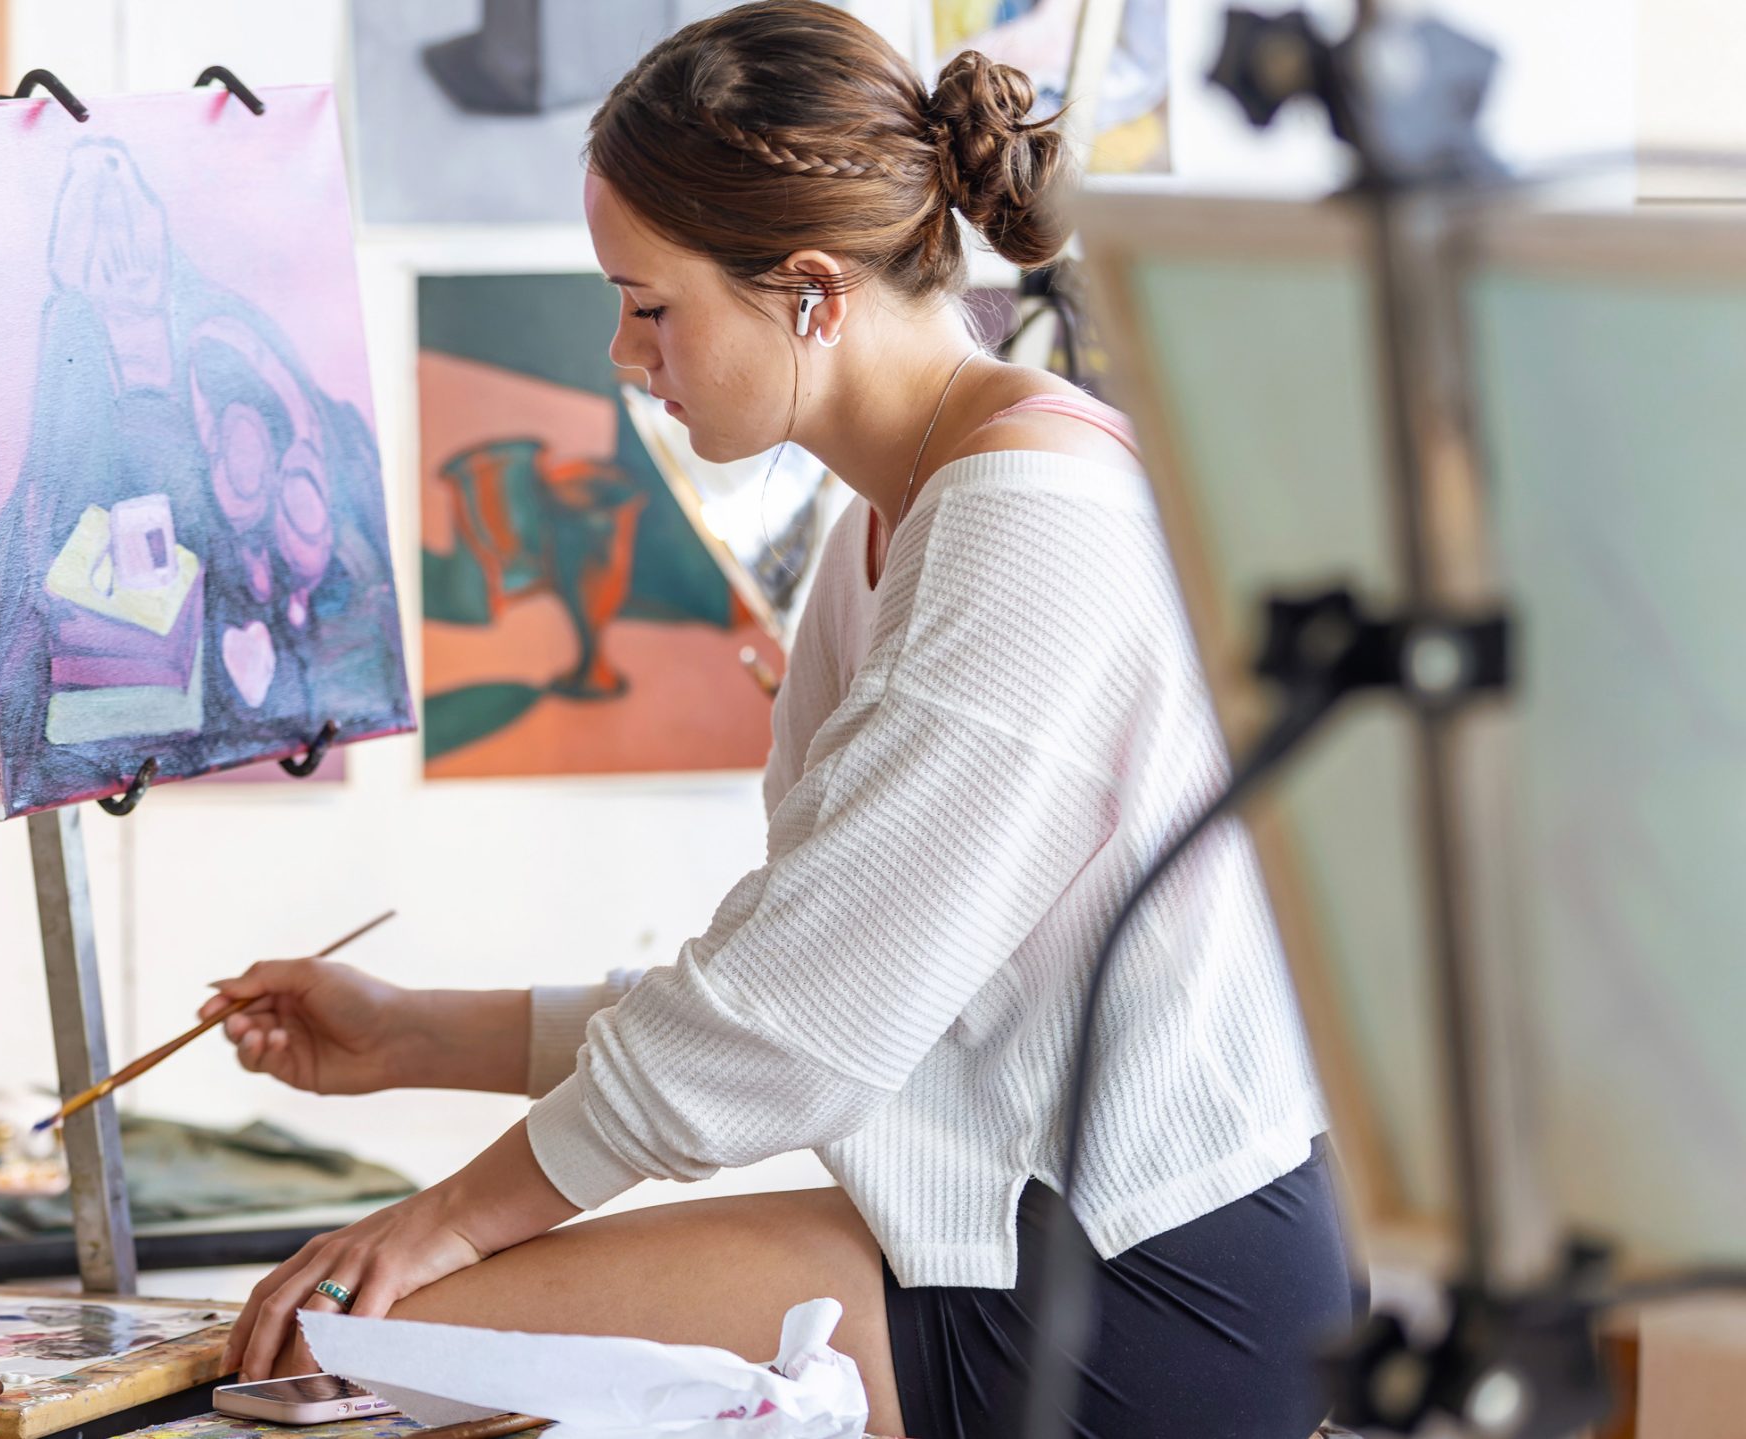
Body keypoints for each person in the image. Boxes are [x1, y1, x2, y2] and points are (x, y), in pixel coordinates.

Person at [203, 5, 1352, 1435]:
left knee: (368, 1350)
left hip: (1144, 1277)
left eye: (647, 304)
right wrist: (413, 1037)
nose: (626, 356)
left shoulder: (1028, 532)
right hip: (1024, 1216)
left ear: (807, 290)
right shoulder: (911, 509)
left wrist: (451, 1219)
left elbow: (800, 1021)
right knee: (374, 1344)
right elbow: (799, 975)